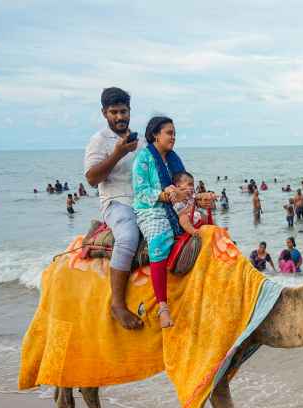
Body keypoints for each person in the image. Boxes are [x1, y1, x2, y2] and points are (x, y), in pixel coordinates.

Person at [84, 87, 144, 330]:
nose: (120, 117)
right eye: (114, 112)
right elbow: (91, 178)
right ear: (104, 113)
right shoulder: (99, 141)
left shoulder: (139, 142)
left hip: (142, 201)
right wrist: (118, 153)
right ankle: (117, 304)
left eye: (124, 111)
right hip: (116, 201)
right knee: (129, 237)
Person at [131, 115, 193, 329]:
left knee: (203, 227)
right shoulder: (144, 158)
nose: (173, 137)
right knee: (159, 240)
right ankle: (163, 306)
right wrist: (164, 195)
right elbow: (141, 191)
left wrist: (194, 195)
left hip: (174, 205)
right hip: (151, 207)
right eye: (169, 133)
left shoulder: (174, 159)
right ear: (155, 134)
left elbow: (185, 184)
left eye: (174, 133)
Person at [172, 171, 213, 236]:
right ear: (178, 185)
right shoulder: (176, 196)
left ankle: (216, 229)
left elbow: (198, 196)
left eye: (193, 185)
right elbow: (178, 214)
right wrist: (179, 192)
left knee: (207, 217)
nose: (192, 187)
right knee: (183, 219)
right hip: (185, 216)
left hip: (196, 215)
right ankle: (193, 231)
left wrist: (207, 195)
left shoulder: (191, 195)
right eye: (190, 184)